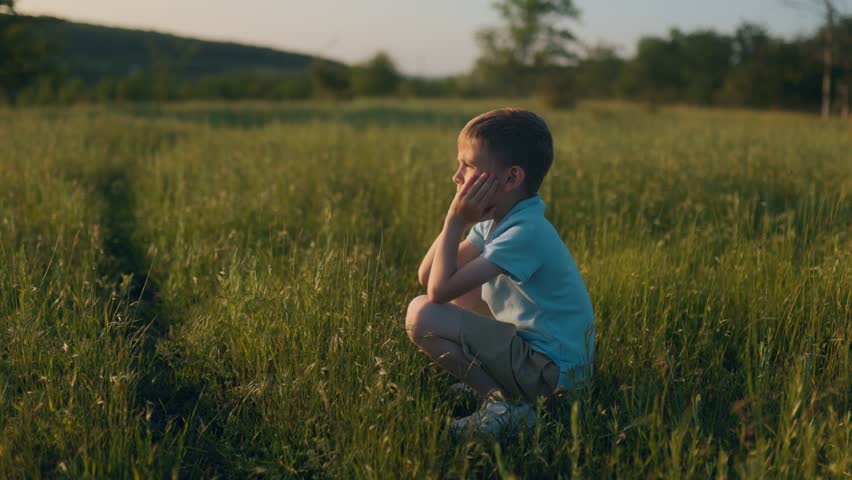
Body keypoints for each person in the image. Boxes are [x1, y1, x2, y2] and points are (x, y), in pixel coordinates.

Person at [405, 108, 595, 436]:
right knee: (461, 288)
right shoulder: (499, 221)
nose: (457, 175)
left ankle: (504, 404)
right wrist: (461, 220)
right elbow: (428, 274)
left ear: (511, 178)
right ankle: (499, 386)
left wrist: (455, 221)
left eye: (468, 165)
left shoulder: (526, 232)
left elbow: (436, 293)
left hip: (551, 375)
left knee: (421, 313)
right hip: (536, 357)